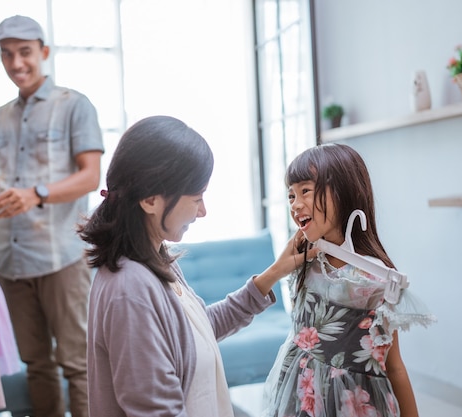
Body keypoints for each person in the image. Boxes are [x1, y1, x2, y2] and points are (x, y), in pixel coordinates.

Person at [77, 115, 316, 417]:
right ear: (150, 200)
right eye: (196, 198)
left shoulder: (152, 257)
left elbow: (197, 331)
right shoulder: (130, 289)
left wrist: (274, 273)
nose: (202, 211)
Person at [0, 15, 104, 417]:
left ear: (44, 53)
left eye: (25, 52)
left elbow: (90, 177)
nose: (16, 62)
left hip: (61, 258)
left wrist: (37, 194)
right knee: (35, 364)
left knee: (79, 365)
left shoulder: (74, 105)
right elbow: (0, 184)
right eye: (6, 54)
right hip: (11, 262)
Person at [261, 143, 436, 416]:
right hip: (299, 398)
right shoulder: (304, 262)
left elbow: (394, 366)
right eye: (291, 196)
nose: (295, 204)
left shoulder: (377, 280)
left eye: (305, 190)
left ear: (343, 190)